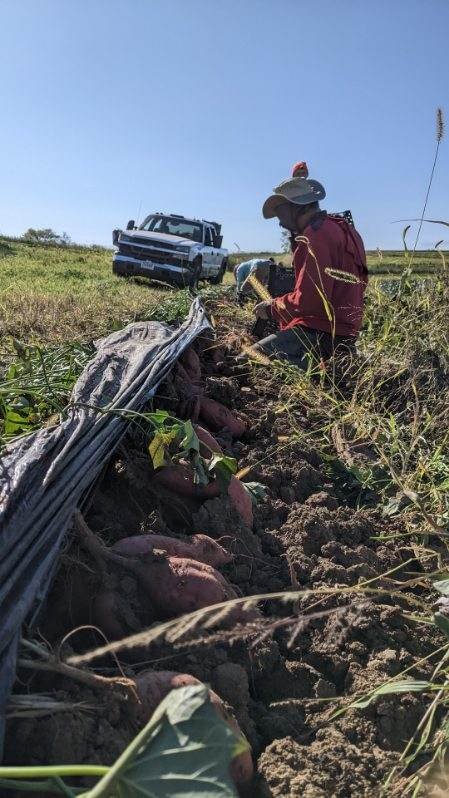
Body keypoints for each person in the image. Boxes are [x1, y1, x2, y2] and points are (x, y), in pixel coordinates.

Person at [248, 176, 367, 368]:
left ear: (297, 207)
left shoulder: (315, 235)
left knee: (244, 362)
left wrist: (270, 308)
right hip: (345, 337)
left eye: (281, 213)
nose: (280, 222)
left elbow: (310, 300)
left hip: (318, 336)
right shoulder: (347, 231)